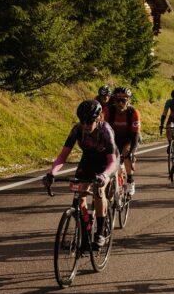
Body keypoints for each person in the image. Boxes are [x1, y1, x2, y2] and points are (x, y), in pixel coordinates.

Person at [43, 100, 118, 250]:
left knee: (99, 191)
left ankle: (100, 232)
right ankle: (85, 232)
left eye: (89, 122)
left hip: (106, 161)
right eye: (82, 121)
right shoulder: (77, 129)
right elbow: (63, 155)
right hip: (88, 159)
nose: (85, 125)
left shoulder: (105, 130)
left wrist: (103, 176)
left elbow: (112, 162)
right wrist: (52, 173)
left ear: (98, 119)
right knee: (79, 195)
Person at [105, 86, 141, 196]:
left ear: (128, 101)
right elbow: (104, 132)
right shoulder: (108, 111)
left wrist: (132, 153)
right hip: (114, 138)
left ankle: (130, 180)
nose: (120, 103)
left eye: (123, 101)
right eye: (117, 100)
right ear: (113, 100)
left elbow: (135, 135)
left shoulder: (133, 112)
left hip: (129, 138)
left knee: (126, 154)